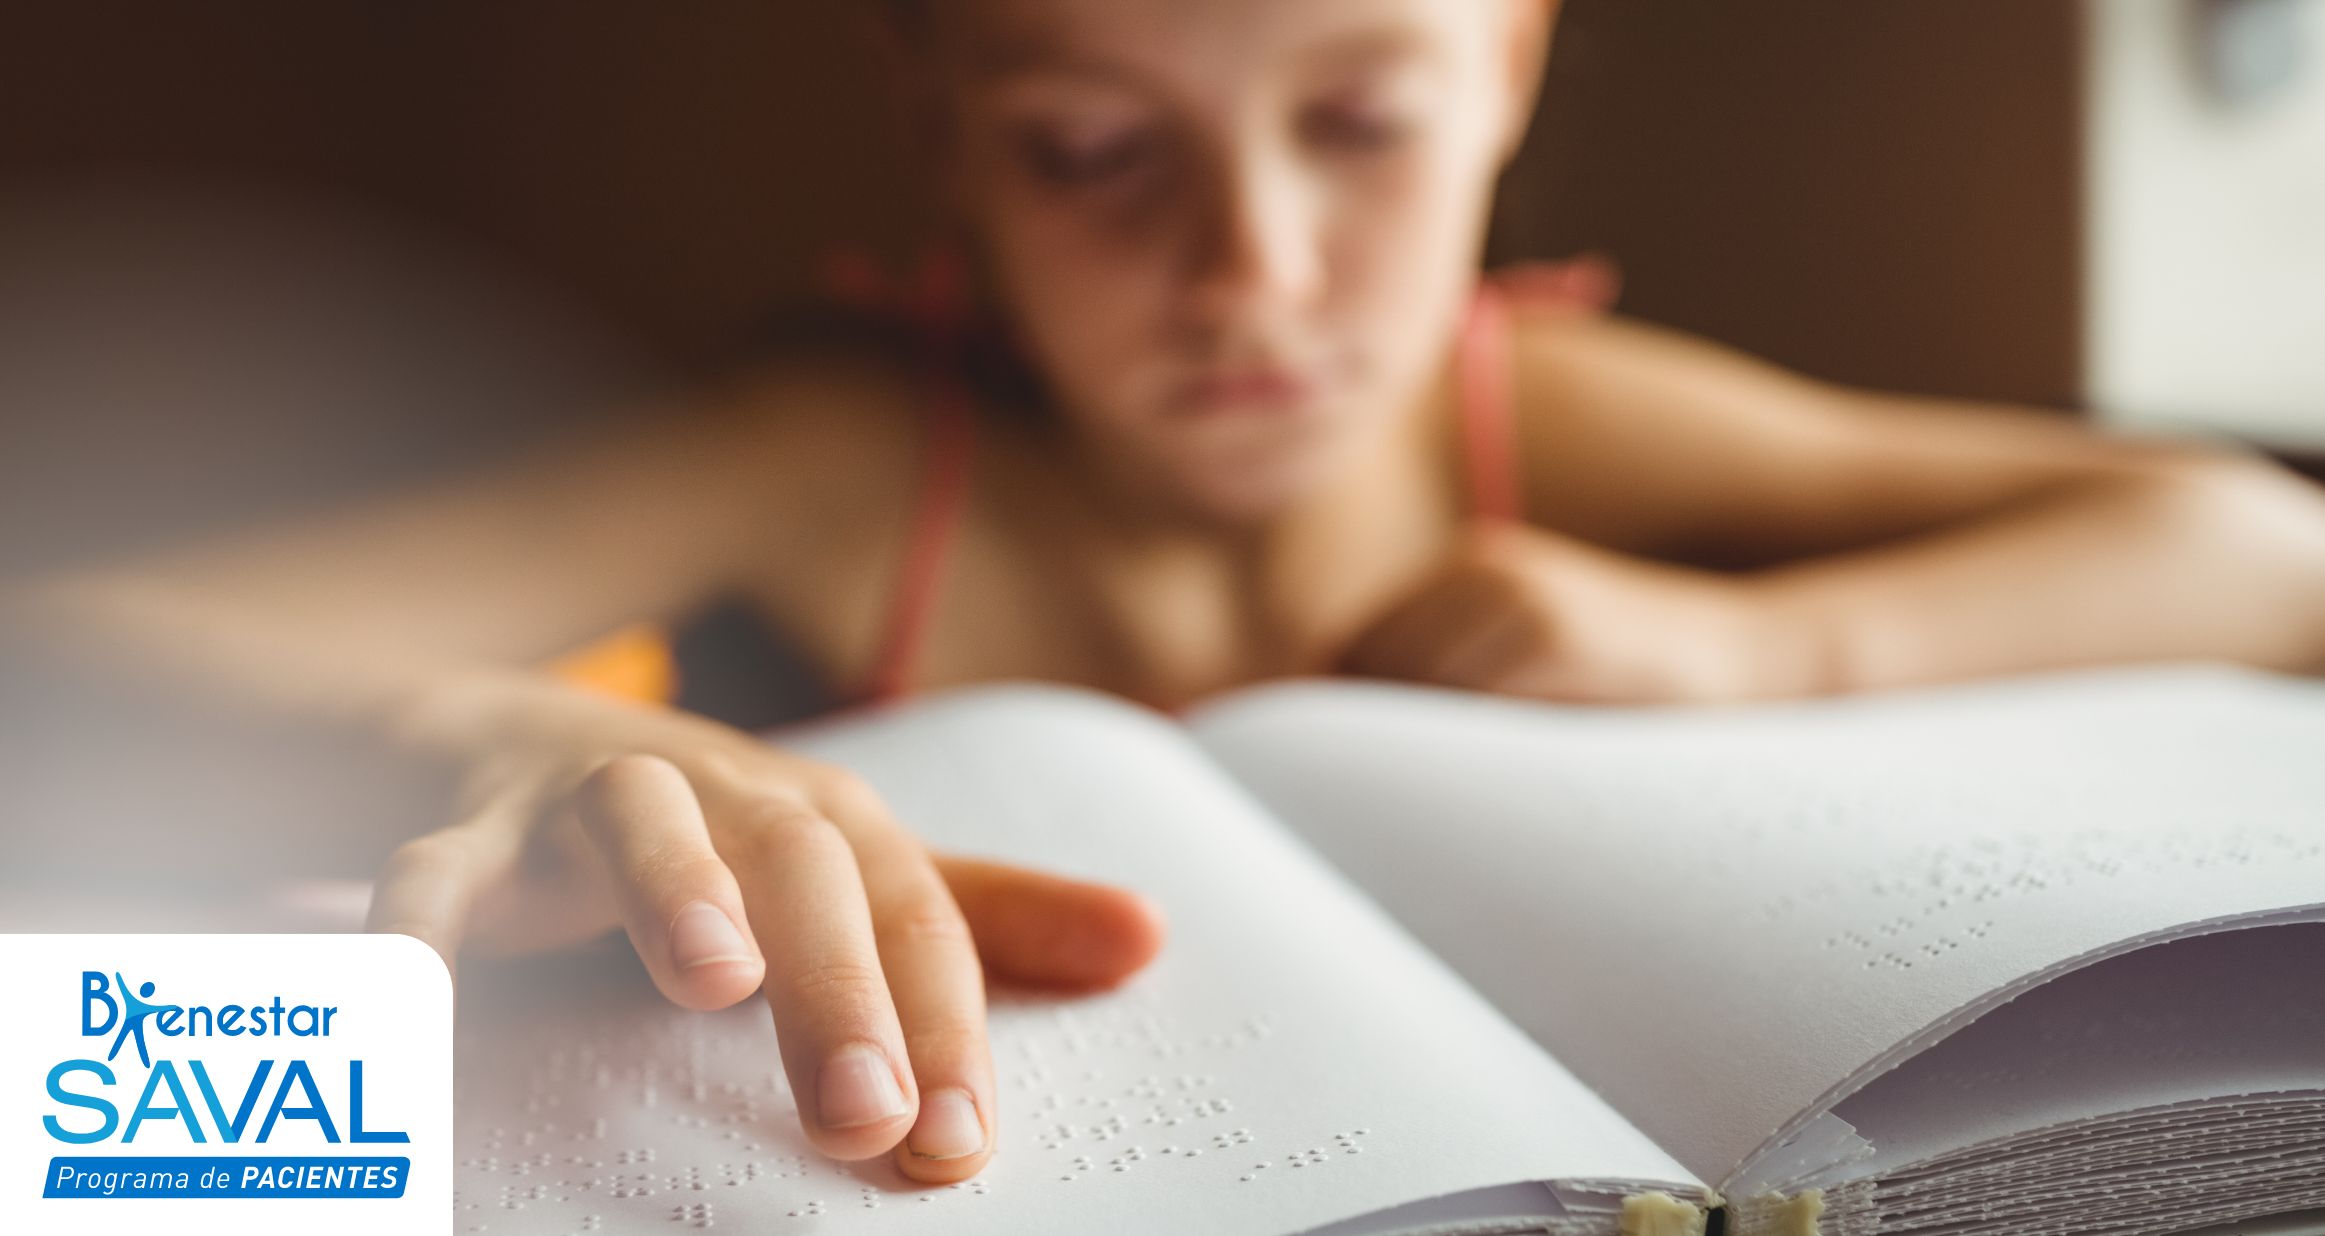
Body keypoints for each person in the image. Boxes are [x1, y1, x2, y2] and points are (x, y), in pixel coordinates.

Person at [9, 0, 2325, 1186]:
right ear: (944, 137)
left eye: (1356, 122)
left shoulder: (1530, 412)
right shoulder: (845, 462)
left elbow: (2260, 545)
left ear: (1507, 64)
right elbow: (71, 650)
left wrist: (1746, 641)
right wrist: (488, 727)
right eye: (1094, 154)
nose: (1251, 274)